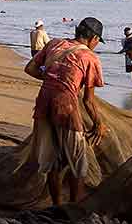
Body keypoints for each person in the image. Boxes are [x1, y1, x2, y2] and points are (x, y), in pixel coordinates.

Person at [23, 17, 107, 207]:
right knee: (78, 163)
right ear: (93, 38)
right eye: (97, 41)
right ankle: (75, 207)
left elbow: (30, 68)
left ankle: (57, 205)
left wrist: (53, 80)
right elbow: (88, 100)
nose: (96, 45)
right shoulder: (90, 58)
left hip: (43, 103)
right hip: (66, 108)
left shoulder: (55, 43)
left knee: (52, 160)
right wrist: (99, 124)